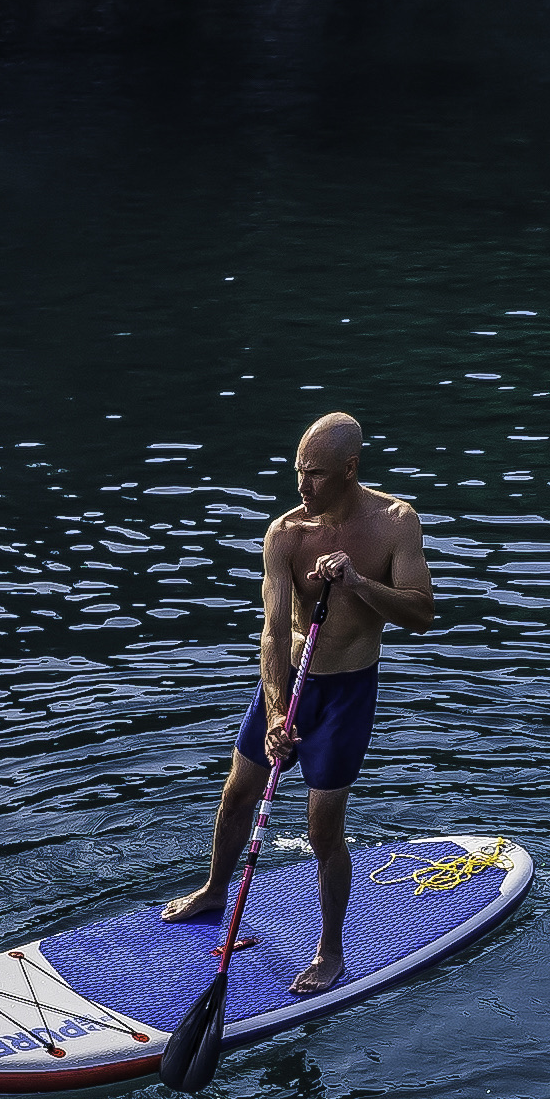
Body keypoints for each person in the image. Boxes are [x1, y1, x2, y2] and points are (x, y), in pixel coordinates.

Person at [168, 410, 432, 993]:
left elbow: (421, 612)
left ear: (349, 469)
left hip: (346, 691)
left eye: (314, 474)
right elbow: (270, 630)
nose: (301, 486)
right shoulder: (285, 534)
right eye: (297, 472)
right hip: (290, 681)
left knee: (321, 825)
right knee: (237, 794)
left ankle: (330, 951)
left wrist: (359, 584)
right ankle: (216, 892)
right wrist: (276, 710)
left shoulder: (394, 523)